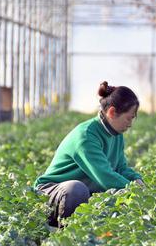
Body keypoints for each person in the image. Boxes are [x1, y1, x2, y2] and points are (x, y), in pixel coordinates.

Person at [35, 81, 145, 227]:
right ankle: (65, 236)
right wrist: (136, 194)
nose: (130, 124)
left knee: (114, 196)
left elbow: (121, 168)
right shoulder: (86, 136)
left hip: (83, 194)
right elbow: (105, 176)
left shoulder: (117, 136)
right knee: (76, 189)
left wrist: (137, 181)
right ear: (112, 112)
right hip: (52, 192)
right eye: (129, 118)